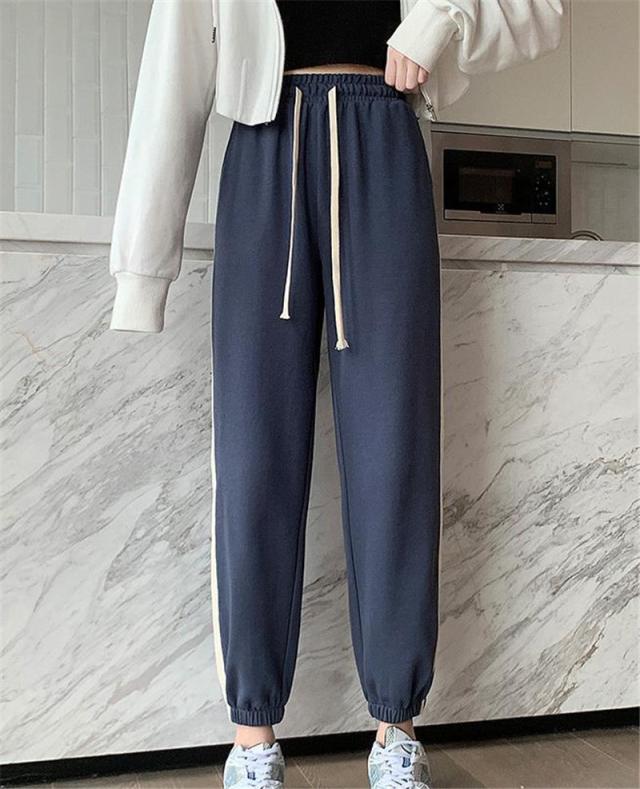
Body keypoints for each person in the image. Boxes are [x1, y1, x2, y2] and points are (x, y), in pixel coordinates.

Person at [107, 1, 565, 787]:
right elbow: (173, 69)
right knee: (252, 455)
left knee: (395, 448)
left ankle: (396, 728)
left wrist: (439, 22)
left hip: (385, 136)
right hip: (264, 147)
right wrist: (141, 273)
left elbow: (543, 10)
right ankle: (253, 738)